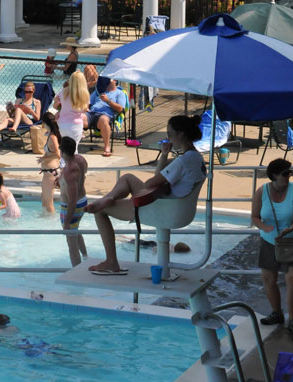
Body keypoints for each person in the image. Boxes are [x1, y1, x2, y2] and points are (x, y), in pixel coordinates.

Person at [85, 114, 207, 276]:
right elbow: (160, 175)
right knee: (127, 178)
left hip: (162, 210)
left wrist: (162, 167)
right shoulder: (195, 157)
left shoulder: (183, 161)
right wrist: (164, 155)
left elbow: (151, 182)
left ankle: (111, 262)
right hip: (170, 206)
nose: (168, 138)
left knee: (100, 211)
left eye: (170, 134)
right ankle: (110, 198)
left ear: (181, 134)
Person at [251, 157, 293, 333]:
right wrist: (265, 227)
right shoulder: (261, 192)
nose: (289, 175)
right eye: (285, 173)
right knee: (269, 279)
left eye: (290, 172)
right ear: (274, 176)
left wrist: (290, 229)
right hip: (269, 241)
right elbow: (255, 217)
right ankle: (277, 313)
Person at [58, 136, 89, 266]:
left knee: (71, 244)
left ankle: (77, 272)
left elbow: (72, 200)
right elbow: (81, 177)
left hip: (71, 208)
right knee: (75, 231)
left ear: (62, 151)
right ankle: (86, 256)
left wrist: (66, 222)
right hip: (83, 200)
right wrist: (60, 180)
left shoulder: (69, 172)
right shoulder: (81, 160)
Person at [83, 77, 127, 157]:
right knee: (78, 117)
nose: (104, 82)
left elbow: (120, 109)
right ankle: (70, 145)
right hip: (91, 113)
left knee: (104, 120)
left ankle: (107, 146)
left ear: (114, 81)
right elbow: (88, 102)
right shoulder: (98, 91)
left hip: (105, 115)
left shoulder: (120, 93)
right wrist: (86, 107)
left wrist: (108, 101)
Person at [54, 71, 89, 150]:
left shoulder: (64, 91)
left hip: (62, 123)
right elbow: (84, 109)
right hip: (75, 124)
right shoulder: (84, 94)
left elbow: (56, 100)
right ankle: (70, 162)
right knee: (74, 149)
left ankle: (62, 162)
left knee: (64, 147)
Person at [39, 112, 62, 214]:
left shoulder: (52, 137)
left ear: (44, 123)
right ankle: (45, 222)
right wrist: (44, 157)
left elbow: (58, 154)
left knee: (48, 202)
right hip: (47, 172)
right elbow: (51, 152)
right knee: (44, 199)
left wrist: (45, 159)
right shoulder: (50, 135)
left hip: (51, 172)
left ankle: (52, 224)